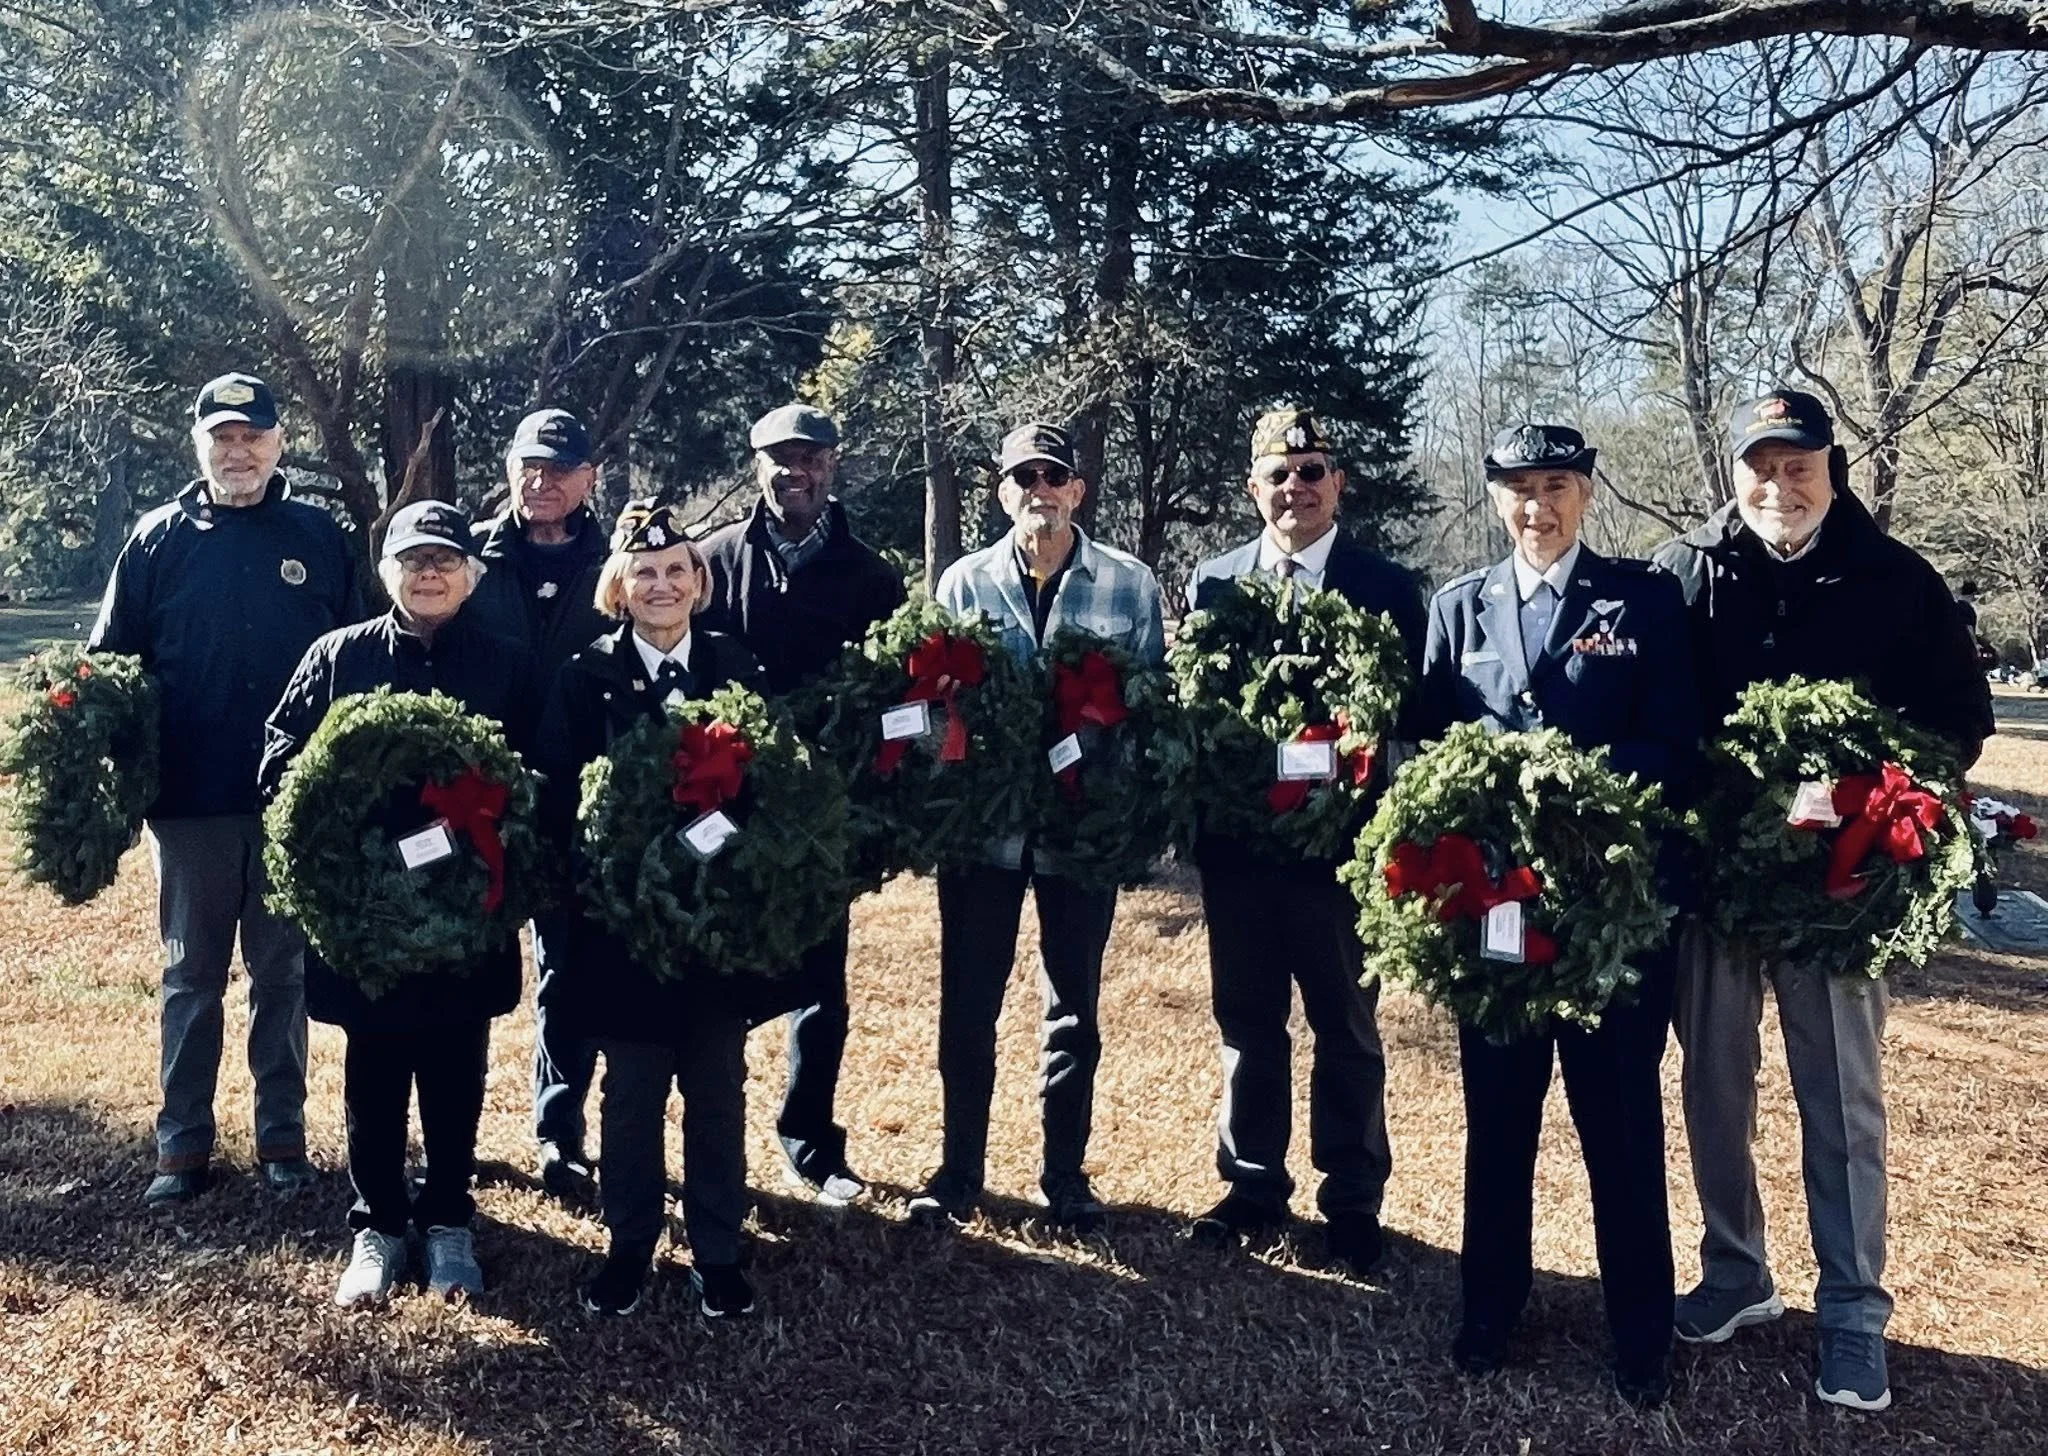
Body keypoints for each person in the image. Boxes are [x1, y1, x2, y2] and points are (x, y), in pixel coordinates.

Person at [1653, 389, 1994, 1412]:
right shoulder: (1686, 573)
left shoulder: (1893, 581)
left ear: (1829, 469)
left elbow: (1957, 720)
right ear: (1732, 473)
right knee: (1712, 1082)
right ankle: (1735, 1272)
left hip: (1840, 891)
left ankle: (1850, 1309)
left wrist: (1879, 796)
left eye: (1796, 464)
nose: (1777, 485)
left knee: (1837, 1101)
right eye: (1759, 465)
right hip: (1718, 883)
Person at [1416, 424, 1698, 1407]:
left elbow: (1673, 744)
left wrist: (1565, 792)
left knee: (1618, 1125)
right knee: (1496, 1124)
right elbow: (1422, 752)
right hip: (1494, 918)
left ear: (1585, 492)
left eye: (1553, 487)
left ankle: (1639, 1334)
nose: (1535, 508)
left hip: (1606, 919)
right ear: (1493, 498)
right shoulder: (1454, 608)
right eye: (1516, 491)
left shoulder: (1643, 602)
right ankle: (1488, 1310)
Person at [89, 372, 362, 1206]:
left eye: (253, 435)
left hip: (292, 803)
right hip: (190, 803)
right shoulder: (156, 539)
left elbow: (357, 662)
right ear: (198, 442)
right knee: (191, 978)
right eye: (222, 436)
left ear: (280, 444)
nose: (237, 450)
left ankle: (282, 1134)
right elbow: (110, 665)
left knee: (283, 977)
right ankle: (183, 1144)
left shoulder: (318, 537)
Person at [258, 502, 533, 1307]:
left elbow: (535, 778)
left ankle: (448, 1220)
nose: (430, 572)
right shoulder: (337, 657)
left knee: (455, 1065)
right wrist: (334, 841)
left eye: (446, 559)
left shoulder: (506, 664)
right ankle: (376, 1225)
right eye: (413, 560)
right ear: (388, 574)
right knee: (374, 1069)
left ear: (471, 573)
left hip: (464, 910)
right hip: (364, 915)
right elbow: (280, 758)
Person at [1182, 406, 1426, 1276]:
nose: (1297, 489)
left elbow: (1412, 727)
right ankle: (1251, 1186)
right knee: (1248, 1022)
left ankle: (1352, 1201)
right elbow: (1196, 715)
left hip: (1340, 853)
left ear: (1339, 484)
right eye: (1279, 475)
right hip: (1240, 850)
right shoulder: (1215, 585)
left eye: (1313, 471)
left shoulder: (1389, 589)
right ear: (1254, 488)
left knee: (1346, 1028)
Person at [911, 422, 1166, 1234]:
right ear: (1001, 491)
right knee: (968, 1003)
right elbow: (929, 703)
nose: (1039, 490)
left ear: (1079, 491)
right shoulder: (962, 583)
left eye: (1055, 475)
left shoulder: (1130, 585)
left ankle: (1064, 1176)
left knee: (1073, 1009)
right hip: (983, 837)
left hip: (1078, 836)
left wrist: (1123, 809)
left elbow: (1153, 711)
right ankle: (959, 1171)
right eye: (1023, 477)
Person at [532, 502, 769, 1319]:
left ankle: (717, 1252)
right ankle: (629, 1244)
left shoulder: (738, 670)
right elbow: (557, 797)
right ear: (619, 588)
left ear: (700, 583)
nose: (661, 585)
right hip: (621, 930)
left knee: (716, 1087)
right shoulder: (584, 676)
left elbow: (771, 792)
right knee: (630, 1094)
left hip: (715, 927)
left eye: (677, 571)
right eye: (645, 573)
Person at [697, 403, 907, 1205]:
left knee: (821, 984)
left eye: (810, 458)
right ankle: (714, 1147)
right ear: (757, 466)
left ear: (833, 464)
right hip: (729, 810)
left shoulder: (871, 574)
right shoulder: (715, 560)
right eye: (779, 458)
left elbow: (892, 695)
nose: (796, 471)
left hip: (826, 818)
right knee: (724, 981)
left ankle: (812, 1144)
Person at [462, 407, 613, 1202]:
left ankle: (561, 1135)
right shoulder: (472, 559)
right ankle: (455, 1137)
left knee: (567, 973)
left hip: (575, 802)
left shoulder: (618, 563)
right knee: (465, 970)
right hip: (472, 801)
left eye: (559, 467)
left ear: (589, 478)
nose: (541, 480)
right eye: (529, 464)